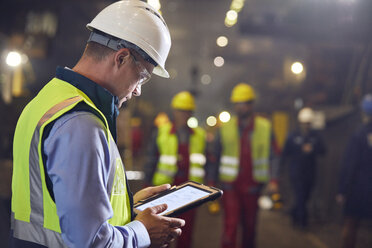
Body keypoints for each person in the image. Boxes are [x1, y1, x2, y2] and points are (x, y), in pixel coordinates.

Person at [10, 1, 185, 247]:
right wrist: (143, 232)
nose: (138, 92)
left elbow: (59, 205)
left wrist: (128, 205)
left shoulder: (49, 100)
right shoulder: (81, 124)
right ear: (121, 58)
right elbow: (91, 241)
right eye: (142, 77)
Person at [206, 83, 280, 248]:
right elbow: (214, 157)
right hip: (230, 186)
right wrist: (211, 182)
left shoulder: (265, 127)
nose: (241, 107)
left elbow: (274, 155)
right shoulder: (225, 128)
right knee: (230, 227)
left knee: (250, 227)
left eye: (245, 103)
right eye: (238, 103)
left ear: (252, 104)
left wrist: (274, 180)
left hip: (253, 186)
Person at [144, 91, 206, 248]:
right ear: (174, 111)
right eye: (181, 110)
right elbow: (151, 158)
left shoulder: (199, 135)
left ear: (191, 113)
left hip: (190, 192)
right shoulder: (161, 131)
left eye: (187, 111)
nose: (184, 115)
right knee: (163, 232)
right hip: (165, 191)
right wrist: (147, 187)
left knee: (186, 231)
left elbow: (206, 162)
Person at [336, 94, 372, 248]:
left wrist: (342, 190)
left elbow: (350, 164)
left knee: (350, 225)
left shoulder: (359, 135)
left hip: (357, 189)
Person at [281, 107, 326, 229]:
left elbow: (323, 150)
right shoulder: (293, 135)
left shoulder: (315, 136)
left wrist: (313, 149)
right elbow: (285, 152)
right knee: (300, 195)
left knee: (305, 197)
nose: (306, 126)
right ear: (300, 122)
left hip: (310, 172)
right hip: (296, 171)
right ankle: (302, 221)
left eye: (308, 123)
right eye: (304, 123)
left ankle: (295, 214)